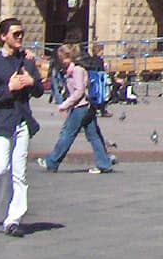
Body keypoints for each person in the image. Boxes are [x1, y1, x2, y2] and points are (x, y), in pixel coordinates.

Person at [0, 19, 44, 236]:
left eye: (22, 33)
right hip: (0, 122)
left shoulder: (27, 62)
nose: (20, 37)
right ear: (3, 37)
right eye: (15, 34)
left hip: (22, 122)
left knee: (19, 174)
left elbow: (39, 91)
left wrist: (31, 83)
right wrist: (8, 88)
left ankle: (13, 219)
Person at [40, 44, 115, 174]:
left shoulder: (77, 70)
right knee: (94, 135)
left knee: (67, 134)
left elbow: (79, 91)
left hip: (81, 107)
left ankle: (52, 162)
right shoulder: (72, 70)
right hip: (87, 106)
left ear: (68, 58)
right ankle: (104, 163)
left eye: (62, 59)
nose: (61, 62)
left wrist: (65, 104)